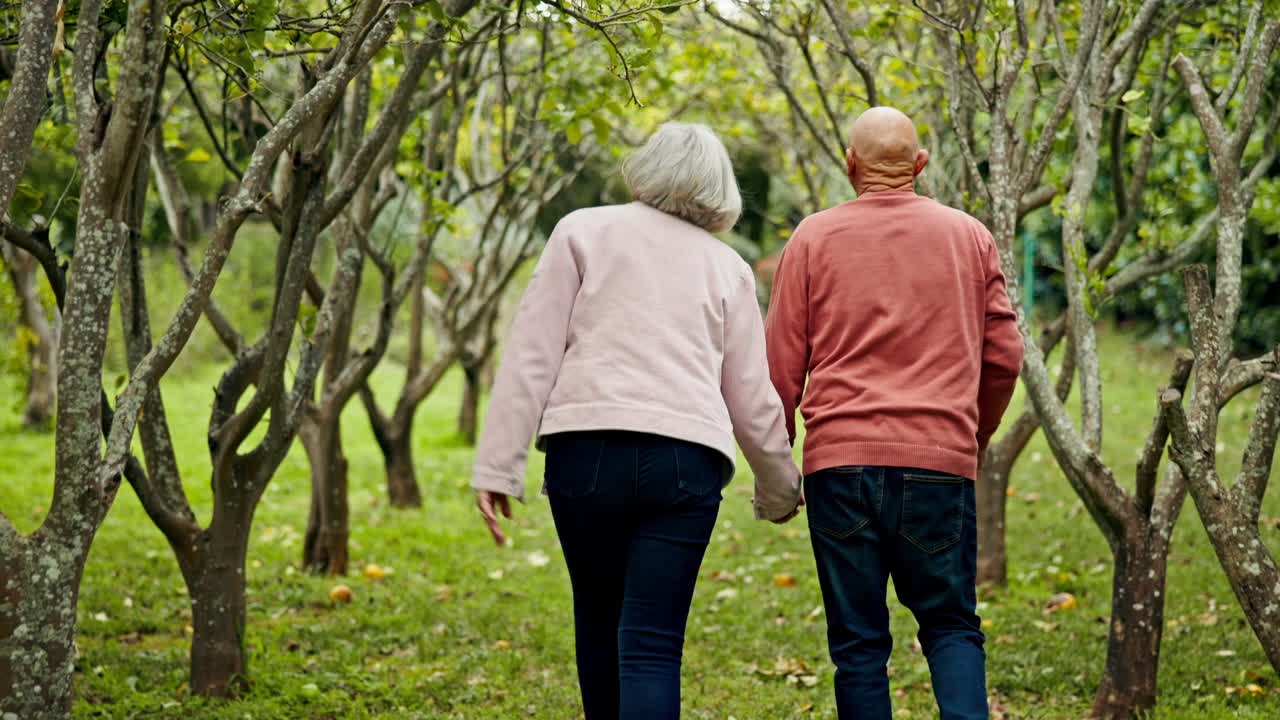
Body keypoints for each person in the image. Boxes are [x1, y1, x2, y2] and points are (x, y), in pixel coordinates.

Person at [471, 121, 803, 720]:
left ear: (643, 169)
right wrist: (780, 489)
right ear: (719, 187)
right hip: (684, 464)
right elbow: (751, 395)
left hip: (585, 454)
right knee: (651, 647)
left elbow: (532, 352)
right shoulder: (728, 267)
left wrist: (499, 464)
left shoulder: (582, 231)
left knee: (598, 624)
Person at [764, 106, 1024, 720]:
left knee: (857, 645)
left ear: (849, 165)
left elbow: (778, 367)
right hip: (940, 461)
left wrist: (777, 461)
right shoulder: (969, 237)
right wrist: (974, 436)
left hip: (840, 467)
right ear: (920, 165)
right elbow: (1005, 357)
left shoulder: (812, 238)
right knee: (951, 626)